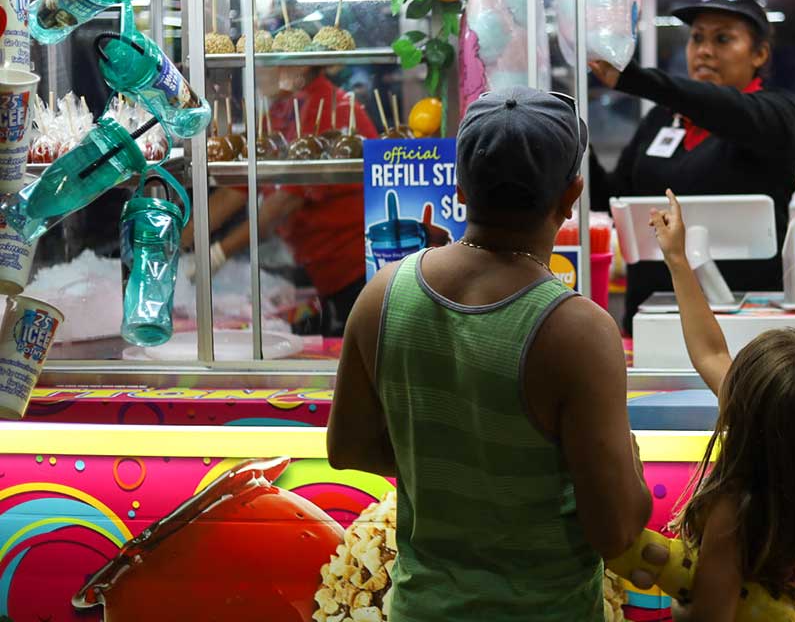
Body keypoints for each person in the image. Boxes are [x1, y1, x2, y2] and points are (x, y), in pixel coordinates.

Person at [327, 86, 653, 620]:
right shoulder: (577, 331)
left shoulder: (383, 294)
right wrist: (630, 467)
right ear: (570, 197)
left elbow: (347, 448)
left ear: (458, 186)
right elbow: (615, 530)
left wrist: (442, 464)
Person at [648, 190, 795, 622]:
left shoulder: (732, 514)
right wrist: (677, 260)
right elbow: (709, 351)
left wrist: (680, 601)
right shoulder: (792, 455)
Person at [589, 0, 795, 332]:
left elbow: (724, 109)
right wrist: (574, 139)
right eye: (697, 38)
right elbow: (613, 199)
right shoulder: (662, 119)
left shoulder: (778, 114)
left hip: (747, 323)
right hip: (652, 322)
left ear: (760, 53)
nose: (704, 51)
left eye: (723, 39)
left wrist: (634, 79)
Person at [183, 65, 378, 337]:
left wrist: (218, 253)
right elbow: (238, 188)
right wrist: (182, 237)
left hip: (355, 269)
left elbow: (283, 203)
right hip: (315, 266)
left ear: (300, 67)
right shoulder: (281, 110)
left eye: (268, 63)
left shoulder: (332, 109)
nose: (259, 71)